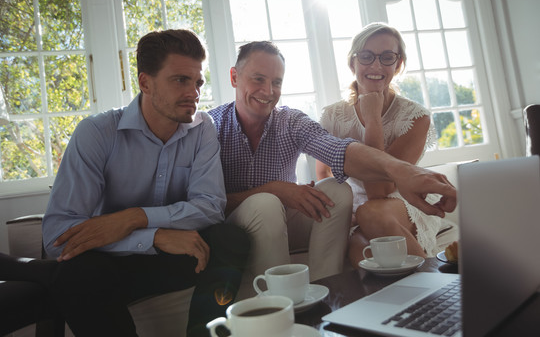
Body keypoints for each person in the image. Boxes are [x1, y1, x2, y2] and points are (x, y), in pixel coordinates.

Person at [0, 29, 249, 337]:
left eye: (197, 81)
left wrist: (135, 218)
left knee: (230, 238)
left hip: (174, 258)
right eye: (180, 80)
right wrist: (154, 236)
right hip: (110, 263)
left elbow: (211, 206)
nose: (194, 93)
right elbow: (57, 236)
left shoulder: (202, 129)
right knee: (78, 273)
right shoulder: (97, 133)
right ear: (145, 82)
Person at [208, 41, 457, 284]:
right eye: (258, 79)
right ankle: (282, 300)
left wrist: (402, 171)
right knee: (266, 203)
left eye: (276, 82)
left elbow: (341, 151)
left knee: (336, 190)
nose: (268, 91)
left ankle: (327, 289)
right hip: (237, 221)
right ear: (234, 77)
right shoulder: (210, 128)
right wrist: (275, 189)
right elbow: (206, 203)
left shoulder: (290, 121)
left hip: (283, 218)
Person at [316, 22, 457, 267]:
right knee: (360, 249)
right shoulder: (332, 116)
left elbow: (380, 190)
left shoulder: (415, 117)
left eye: (387, 57)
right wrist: (344, 209)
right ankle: (401, 303)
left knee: (372, 212)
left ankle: (435, 288)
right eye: (367, 56)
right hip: (356, 205)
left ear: (398, 64)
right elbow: (324, 173)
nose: (376, 66)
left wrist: (372, 119)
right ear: (353, 63)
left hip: (402, 199)